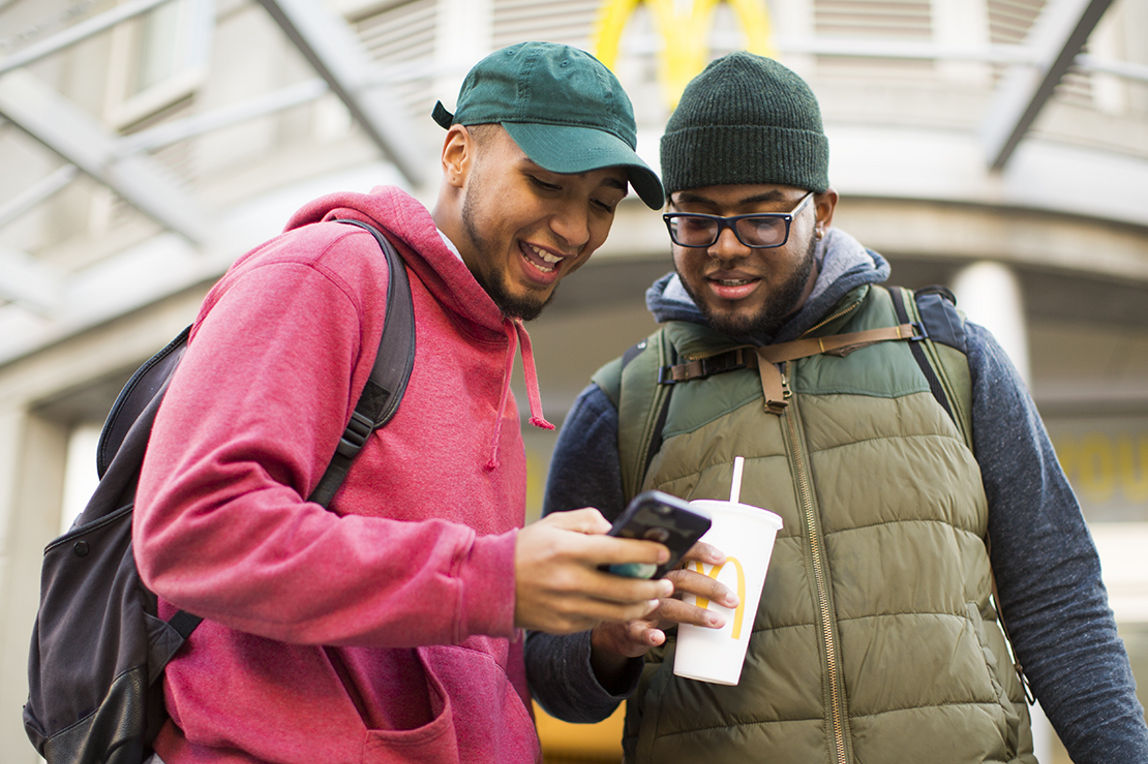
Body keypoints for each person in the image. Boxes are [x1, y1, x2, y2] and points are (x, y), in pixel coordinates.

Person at [525, 52, 1148, 763]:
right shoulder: (623, 402)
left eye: (761, 219)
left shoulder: (948, 355)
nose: (725, 249)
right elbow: (553, 673)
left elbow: (1059, 602)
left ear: (821, 210)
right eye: (696, 220)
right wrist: (610, 645)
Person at [132, 41, 675, 763]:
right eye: (546, 184)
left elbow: (469, 647)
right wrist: (493, 576)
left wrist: (594, 630)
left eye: (601, 204)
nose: (575, 229)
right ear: (457, 154)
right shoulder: (325, 274)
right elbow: (194, 527)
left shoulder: (491, 352)